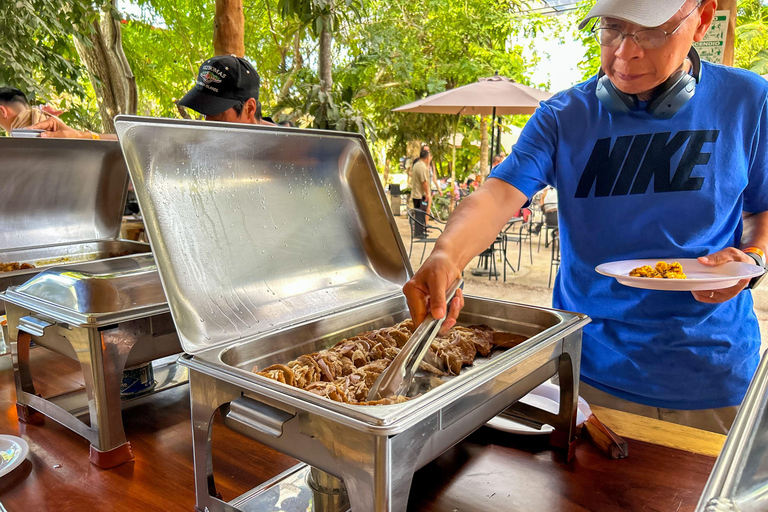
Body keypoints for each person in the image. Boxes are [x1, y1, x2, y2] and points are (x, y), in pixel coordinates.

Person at [403, 0, 768, 434]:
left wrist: (753, 258)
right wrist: (447, 254)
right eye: (612, 28)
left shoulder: (750, 101)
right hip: (588, 373)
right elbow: (499, 195)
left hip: (715, 378)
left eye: (651, 33)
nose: (624, 53)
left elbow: (762, 208)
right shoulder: (563, 116)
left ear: (702, 19)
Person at [28, 55, 273, 138]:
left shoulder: (288, 149)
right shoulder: (211, 139)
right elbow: (142, 139)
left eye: (217, 114)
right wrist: (81, 135)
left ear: (250, 108)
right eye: (205, 114)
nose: (208, 124)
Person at [410, 147, 432, 212]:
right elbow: (424, 182)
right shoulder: (422, 167)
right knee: (420, 215)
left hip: (416, 195)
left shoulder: (416, 165)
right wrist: (427, 194)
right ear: (427, 158)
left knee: (418, 214)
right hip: (420, 195)